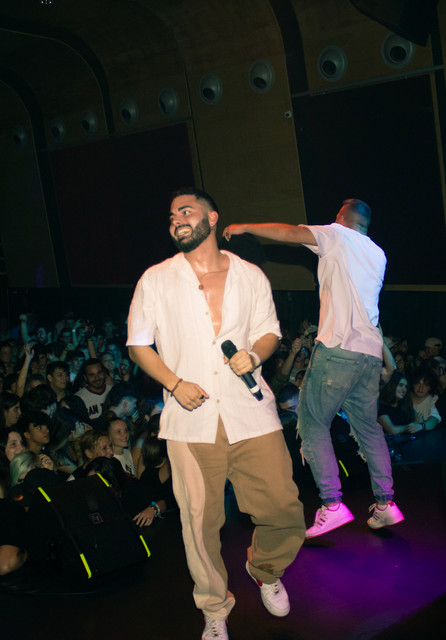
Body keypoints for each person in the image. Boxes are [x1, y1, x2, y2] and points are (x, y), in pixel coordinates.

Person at [127, 187, 305, 640]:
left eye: (186, 211)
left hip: (251, 412)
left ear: (212, 218)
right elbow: (138, 344)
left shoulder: (250, 275)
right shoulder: (156, 279)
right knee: (199, 523)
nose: (176, 220)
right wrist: (174, 383)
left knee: (282, 506)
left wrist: (255, 354)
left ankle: (265, 570)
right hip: (190, 421)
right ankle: (213, 606)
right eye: (171, 216)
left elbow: (269, 332)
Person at [224, 197, 404, 536]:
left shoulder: (336, 234)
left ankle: (332, 504)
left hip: (338, 350)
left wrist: (244, 226)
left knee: (312, 422)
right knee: (368, 428)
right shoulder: (378, 253)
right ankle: (385, 504)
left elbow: (290, 233)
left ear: (341, 217)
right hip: (369, 356)